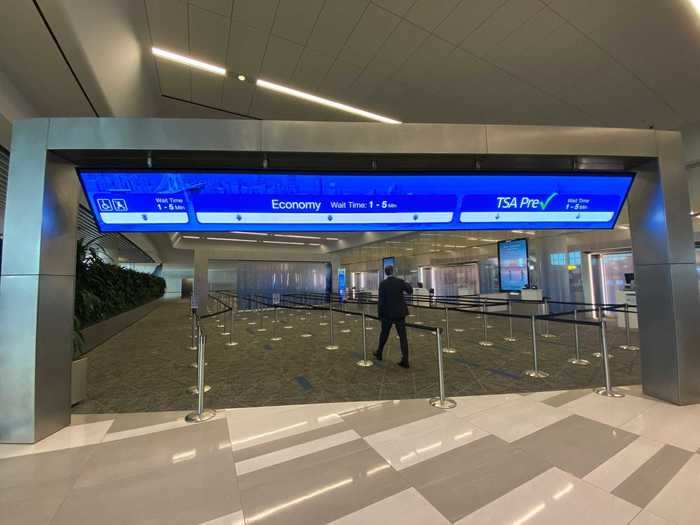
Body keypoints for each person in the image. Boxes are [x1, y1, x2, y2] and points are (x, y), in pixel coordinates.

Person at [373, 265, 413, 368]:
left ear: (386, 273)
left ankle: (379, 353)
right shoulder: (399, 282)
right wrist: (405, 282)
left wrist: (380, 315)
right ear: (393, 271)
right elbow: (410, 290)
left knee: (384, 334)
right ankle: (405, 360)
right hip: (400, 314)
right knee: (403, 337)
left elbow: (381, 301)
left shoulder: (383, 284)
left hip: (387, 314)